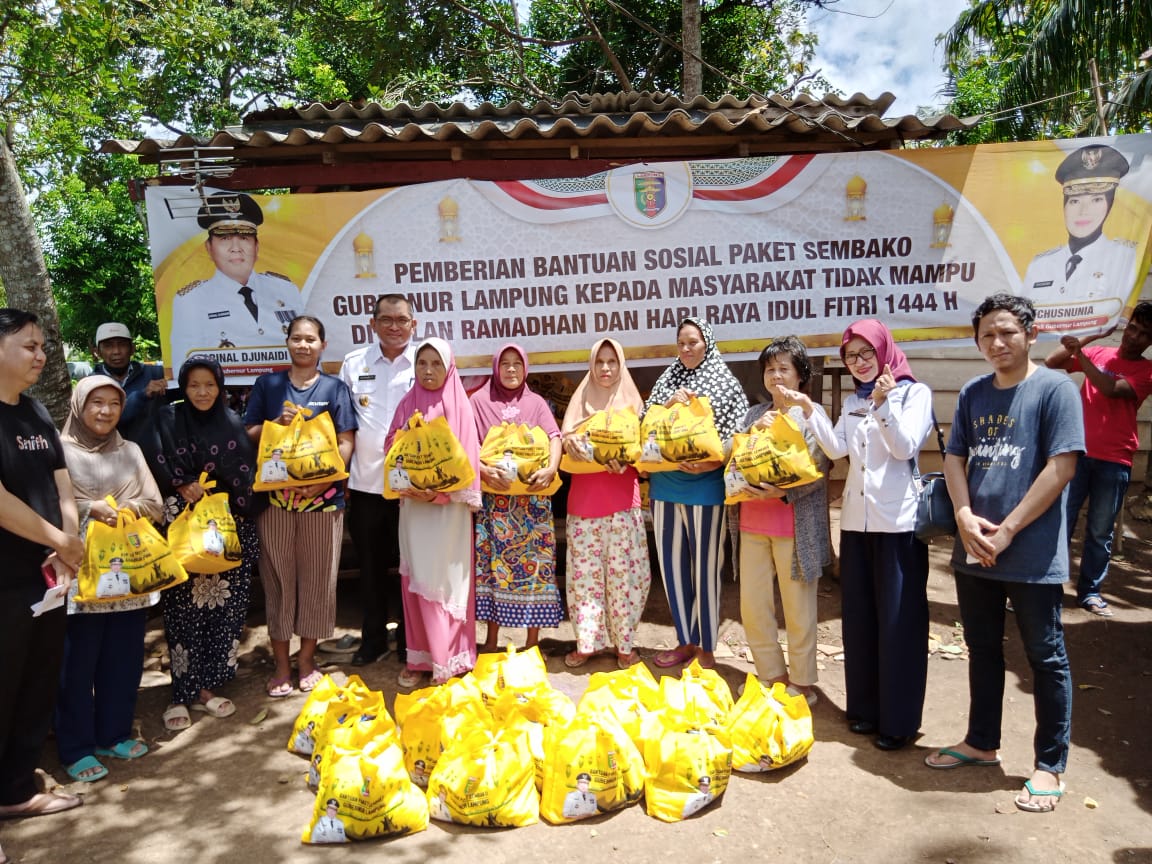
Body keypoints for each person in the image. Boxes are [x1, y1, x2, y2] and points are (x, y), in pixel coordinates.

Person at [925, 294, 1083, 815]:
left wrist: (1009, 530)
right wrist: (966, 518)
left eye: (1008, 332)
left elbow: (1061, 468)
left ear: (1031, 334)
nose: (997, 342)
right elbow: (954, 459)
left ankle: (1050, 765)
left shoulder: (1056, 390)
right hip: (976, 548)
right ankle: (981, 743)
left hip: (1031, 553)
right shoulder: (973, 392)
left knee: (1046, 657)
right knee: (983, 650)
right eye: (987, 334)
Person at [801, 319, 933, 750]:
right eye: (850, 356)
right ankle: (864, 709)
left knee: (898, 623)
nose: (858, 363)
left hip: (898, 526)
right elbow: (837, 449)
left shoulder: (914, 393)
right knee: (859, 619)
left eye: (866, 354)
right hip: (856, 524)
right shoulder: (853, 402)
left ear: (884, 352)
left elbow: (904, 447)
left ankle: (897, 722)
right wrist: (809, 409)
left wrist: (882, 405)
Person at [57, 375, 165, 783]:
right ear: (79, 406)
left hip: (128, 571)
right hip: (81, 570)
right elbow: (50, 503)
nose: (105, 411)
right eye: (96, 403)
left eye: (113, 404)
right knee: (77, 663)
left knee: (122, 658)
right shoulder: (58, 449)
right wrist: (90, 509)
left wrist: (121, 508)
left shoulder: (130, 450)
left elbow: (155, 504)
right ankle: (76, 747)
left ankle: (114, 734)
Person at [0, 308, 85, 826]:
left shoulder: (34, 411)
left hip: (48, 578)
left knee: (34, 686)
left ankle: (14, 790)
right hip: (5, 580)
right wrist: (60, 539)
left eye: (41, 346)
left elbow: (61, 481)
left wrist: (69, 541)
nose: (40, 354)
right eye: (28, 345)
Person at [244, 316, 357, 697]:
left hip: (324, 503)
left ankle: (306, 661)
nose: (304, 345)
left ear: (323, 345)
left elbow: (346, 442)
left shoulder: (335, 388)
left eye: (311, 339)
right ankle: (280, 665)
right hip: (275, 502)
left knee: (318, 582)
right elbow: (248, 436)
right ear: (287, 343)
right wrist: (276, 422)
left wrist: (324, 483)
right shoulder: (268, 385)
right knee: (278, 581)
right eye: (297, 338)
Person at [158, 356, 266, 731]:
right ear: (183, 388)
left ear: (220, 387)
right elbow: (155, 462)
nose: (202, 392)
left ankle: (207, 687)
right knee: (182, 610)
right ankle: (181, 690)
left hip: (227, 527)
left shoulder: (231, 422)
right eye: (194, 385)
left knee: (223, 610)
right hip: (185, 525)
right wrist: (179, 481)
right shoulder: (169, 419)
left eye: (210, 385)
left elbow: (245, 476)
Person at [644, 317, 748, 670]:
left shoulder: (725, 382)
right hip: (665, 487)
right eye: (682, 343)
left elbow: (738, 432)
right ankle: (684, 640)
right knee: (673, 570)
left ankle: (706, 646)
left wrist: (711, 463)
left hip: (706, 487)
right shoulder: (668, 379)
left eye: (693, 342)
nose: (687, 349)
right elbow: (646, 424)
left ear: (708, 342)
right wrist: (668, 404)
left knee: (705, 569)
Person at [733, 337, 831, 706]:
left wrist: (782, 493)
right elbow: (733, 455)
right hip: (752, 524)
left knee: (798, 608)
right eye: (770, 369)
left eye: (784, 368)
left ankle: (803, 683)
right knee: (754, 607)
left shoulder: (811, 414)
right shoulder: (754, 415)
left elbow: (820, 466)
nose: (776, 376)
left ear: (801, 376)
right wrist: (755, 432)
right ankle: (771, 674)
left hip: (793, 525)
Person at [1044, 302, 1152, 616]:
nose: (1134, 336)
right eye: (1133, 327)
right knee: (1061, 522)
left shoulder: (1147, 370)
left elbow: (1110, 388)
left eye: (1144, 334)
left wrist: (1080, 355)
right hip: (1075, 454)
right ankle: (1048, 588)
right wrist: (1090, 338)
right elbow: (1052, 361)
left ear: (1150, 341)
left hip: (1115, 459)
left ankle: (1089, 592)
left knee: (1100, 531)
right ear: (1126, 325)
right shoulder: (1101, 352)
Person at [385, 337, 480, 688]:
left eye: (435, 364)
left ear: (449, 367)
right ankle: (420, 658)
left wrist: (440, 493)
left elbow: (468, 461)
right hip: (413, 510)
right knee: (417, 580)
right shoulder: (407, 403)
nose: (428, 371)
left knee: (448, 583)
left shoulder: (460, 406)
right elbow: (390, 448)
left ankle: (450, 659)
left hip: (449, 514)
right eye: (421, 363)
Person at [559, 337, 651, 669]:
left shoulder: (634, 404)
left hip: (623, 503)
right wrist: (572, 444)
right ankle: (587, 643)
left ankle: (624, 645)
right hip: (584, 503)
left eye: (612, 362)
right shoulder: (579, 400)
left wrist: (628, 463)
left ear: (621, 365)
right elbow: (563, 442)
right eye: (600, 362)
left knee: (623, 577)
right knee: (585, 578)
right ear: (591, 365)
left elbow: (648, 451)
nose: (606, 369)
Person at [338, 294, 418, 667]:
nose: (394, 326)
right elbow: (343, 423)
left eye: (401, 320)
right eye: (386, 319)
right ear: (372, 324)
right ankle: (371, 640)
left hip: (412, 490)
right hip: (366, 484)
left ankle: (408, 640)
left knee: (408, 567)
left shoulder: (424, 361)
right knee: (369, 567)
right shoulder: (355, 364)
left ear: (413, 325)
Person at [470, 343, 562, 653]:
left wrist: (551, 468)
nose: (511, 369)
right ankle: (491, 640)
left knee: (535, 568)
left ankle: (532, 644)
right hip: (496, 503)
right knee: (495, 571)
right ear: (495, 368)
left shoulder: (536, 402)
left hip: (532, 503)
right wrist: (482, 470)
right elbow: (466, 444)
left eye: (517, 364)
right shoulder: (479, 401)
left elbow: (554, 437)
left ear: (525, 368)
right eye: (505, 364)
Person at [169, 192, 303, 368]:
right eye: (225, 238)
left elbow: (310, 357)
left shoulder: (286, 289)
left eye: (244, 238)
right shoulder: (190, 300)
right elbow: (184, 368)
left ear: (256, 246)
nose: (236, 248)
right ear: (209, 248)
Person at [1021, 144, 1138, 305]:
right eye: (1075, 201)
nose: (1084, 211)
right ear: (1064, 206)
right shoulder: (1040, 265)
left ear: (1109, 206)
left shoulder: (1126, 257)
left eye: (1096, 200)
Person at [92, 321, 175, 500]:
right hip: (113, 476)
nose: (116, 351)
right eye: (108, 346)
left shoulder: (155, 374)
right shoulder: (91, 385)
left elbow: (191, 386)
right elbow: (108, 419)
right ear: (97, 352)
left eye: (121, 344)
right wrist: (143, 395)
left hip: (160, 472)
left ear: (132, 348)